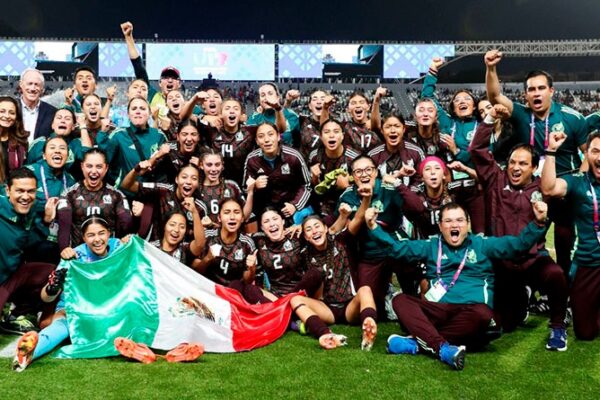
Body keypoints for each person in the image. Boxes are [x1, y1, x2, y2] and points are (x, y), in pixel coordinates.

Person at [366, 201, 549, 370]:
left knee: (483, 314)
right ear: (440, 226)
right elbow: (397, 249)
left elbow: (517, 245)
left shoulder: (482, 244)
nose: (454, 225)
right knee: (400, 301)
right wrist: (374, 227)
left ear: (468, 224)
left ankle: (418, 342)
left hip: (470, 312)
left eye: (460, 220)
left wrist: (539, 222)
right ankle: (442, 348)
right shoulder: (431, 245)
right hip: (439, 311)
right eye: (448, 221)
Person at [470, 105, 568, 349]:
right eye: (512, 162)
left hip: (532, 259)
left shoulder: (543, 188)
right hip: (502, 262)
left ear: (534, 168)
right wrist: (490, 118)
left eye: (523, 164)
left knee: (556, 275)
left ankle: (558, 326)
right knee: (506, 323)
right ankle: (522, 297)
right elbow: (477, 149)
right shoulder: (495, 179)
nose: (515, 168)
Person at [485, 49, 588, 278]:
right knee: (528, 241)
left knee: (564, 241)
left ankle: (562, 287)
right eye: (531, 89)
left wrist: (577, 184)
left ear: (551, 91)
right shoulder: (521, 115)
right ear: (526, 95)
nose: (536, 93)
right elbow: (495, 97)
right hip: (533, 191)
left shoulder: (572, 118)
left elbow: (587, 155)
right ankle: (527, 288)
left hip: (563, 191)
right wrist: (491, 68)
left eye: (541, 88)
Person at [541, 131, 600, 341]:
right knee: (585, 332)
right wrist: (551, 151)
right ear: (587, 154)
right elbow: (549, 188)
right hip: (589, 263)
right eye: (595, 151)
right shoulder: (578, 182)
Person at [289, 214, 378, 351]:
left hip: (349, 305)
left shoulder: (341, 241)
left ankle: (369, 324)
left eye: (317, 226)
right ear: (306, 237)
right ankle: (325, 334)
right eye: (309, 229)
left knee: (365, 289)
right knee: (295, 300)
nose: (314, 231)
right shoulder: (304, 254)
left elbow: (358, 218)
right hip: (327, 309)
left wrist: (364, 202)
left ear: (326, 229)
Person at [0, 168, 57, 334]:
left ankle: (16, 314)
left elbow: (27, 242)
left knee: (52, 273)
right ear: (7, 190)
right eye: (20, 191)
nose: (25, 197)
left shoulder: (31, 209)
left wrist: (46, 221)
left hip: (10, 278)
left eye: (31, 191)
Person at [192, 198, 271, 304]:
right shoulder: (208, 237)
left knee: (239, 286)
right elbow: (194, 271)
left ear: (242, 218)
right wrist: (207, 259)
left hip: (235, 296)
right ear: (219, 218)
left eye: (236, 212)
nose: (232, 217)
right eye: (227, 212)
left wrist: (252, 269)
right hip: (210, 291)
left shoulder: (247, 243)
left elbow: (247, 281)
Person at [57, 148, 132, 250]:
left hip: (109, 254)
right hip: (79, 255)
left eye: (99, 167)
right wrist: (65, 250)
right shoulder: (68, 195)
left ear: (106, 168)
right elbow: (64, 230)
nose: (94, 171)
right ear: (82, 166)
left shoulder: (117, 195)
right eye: (89, 166)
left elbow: (126, 226)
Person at [243, 122, 311, 221]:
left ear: (278, 137)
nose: (267, 140)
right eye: (261, 136)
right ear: (257, 141)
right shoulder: (252, 159)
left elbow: (306, 184)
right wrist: (255, 186)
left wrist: (295, 205)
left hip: (290, 205)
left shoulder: (293, 156)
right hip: (264, 209)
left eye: (271, 134)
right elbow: (245, 188)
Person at [121, 161, 204, 241]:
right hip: (153, 245)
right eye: (184, 177)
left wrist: (195, 213)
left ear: (198, 183)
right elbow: (127, 185)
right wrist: (136, 169)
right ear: (176, 179)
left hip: (181, 249)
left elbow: (199, 241)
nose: (188, 182)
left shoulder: (200, 208)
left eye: (194, 178)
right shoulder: (163, 190)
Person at [96, 97, 167, 188]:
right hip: (125, 192)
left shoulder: (159, 136)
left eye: (142, 108)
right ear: (128, 114)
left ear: (149, 113)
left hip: (151, 192)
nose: (138, 111)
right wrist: (102, 132)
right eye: (134, 109)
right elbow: (103, 158)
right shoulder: (119, 135)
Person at [253, 208, 322, 298]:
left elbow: (324, 227)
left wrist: (302, 226)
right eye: (266, 221)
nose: (272, 224)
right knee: (250, 289)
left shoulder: (296, 237)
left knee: (315, 273)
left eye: (275, 219)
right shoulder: (258, 240)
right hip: (275, 296)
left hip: (300, 293)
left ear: (283, 221)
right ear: (262, 227)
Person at [308, 118, 358, 224]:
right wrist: (315, 178)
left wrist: (347, 186)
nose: (331, 135)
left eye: (336, 131)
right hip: (324, 205)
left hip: (349, 202)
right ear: (321, 136)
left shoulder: (354, 158)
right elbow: (314, 189)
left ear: (342, 135)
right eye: (327, 132)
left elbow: (363, 185)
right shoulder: (315, 156)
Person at [203, 98, 257, 187]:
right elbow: (187, 117)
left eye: (236, 108)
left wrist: (278, 109)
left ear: (241, 115)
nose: (232, 111)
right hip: (217, 186)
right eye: (227, 108)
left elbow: (276, 129)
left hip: (243, 186)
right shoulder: (212, 131)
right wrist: (205, 117)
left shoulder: (250, 132)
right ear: (220, 114)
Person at [368, 113, 424, 188]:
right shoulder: (373, 155)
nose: (393, 130)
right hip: (381, 194)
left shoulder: (416, 152)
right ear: (382, 130)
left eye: (397, 126)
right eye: (388, 127)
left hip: (410, 194)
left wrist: (409, 192)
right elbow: (369, 182)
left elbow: (421, 180)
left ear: (404, 129)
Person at [320, 89, 384, 153]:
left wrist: (376, 101)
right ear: (348, 109)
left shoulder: (380, 125)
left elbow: (376, 125)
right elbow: (325, 127)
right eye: (353, 103)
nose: (358, 105)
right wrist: (325, 108)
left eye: (361, 102)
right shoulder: (345, 127)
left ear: (368, 107)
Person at [18, 68, 57, 141]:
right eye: (29, 84)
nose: (33, 88)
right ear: (21, 84)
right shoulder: (10, 108)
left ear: (42, 88)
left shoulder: (52, 112)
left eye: (37, 84)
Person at [0, 96, 29, 186]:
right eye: (2, 111)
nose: (7, 116)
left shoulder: (20, 141)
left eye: (12, 113)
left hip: (12, 189)